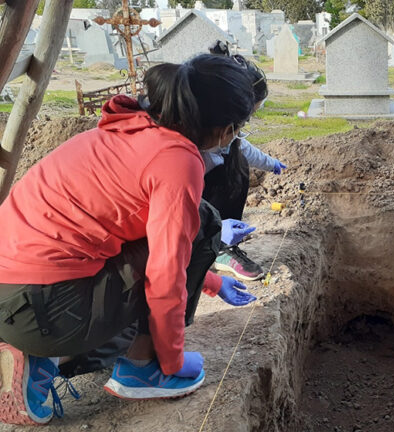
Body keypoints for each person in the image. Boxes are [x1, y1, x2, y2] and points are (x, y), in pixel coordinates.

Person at [0, 54, 260, 425]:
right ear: (226, 129)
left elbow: (125, 237)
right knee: (204, 220)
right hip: (46, 307)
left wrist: (213, 281)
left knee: (179, 231)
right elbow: (166, 274)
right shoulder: (177, 162)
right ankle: (142, 368)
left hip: (12, 293)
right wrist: (171, 359)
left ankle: (35, 355)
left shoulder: (125, 128)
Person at [200, 41, 287, 282]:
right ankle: (214, 246)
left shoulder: (220, 135)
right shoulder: (186, 152)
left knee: (236, 162)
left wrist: (271, 164)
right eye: (243, 119)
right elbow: (177, 206)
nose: (241, 127)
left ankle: (220, 245)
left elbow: (241, 146)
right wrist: (211, 231)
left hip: (192, 210)